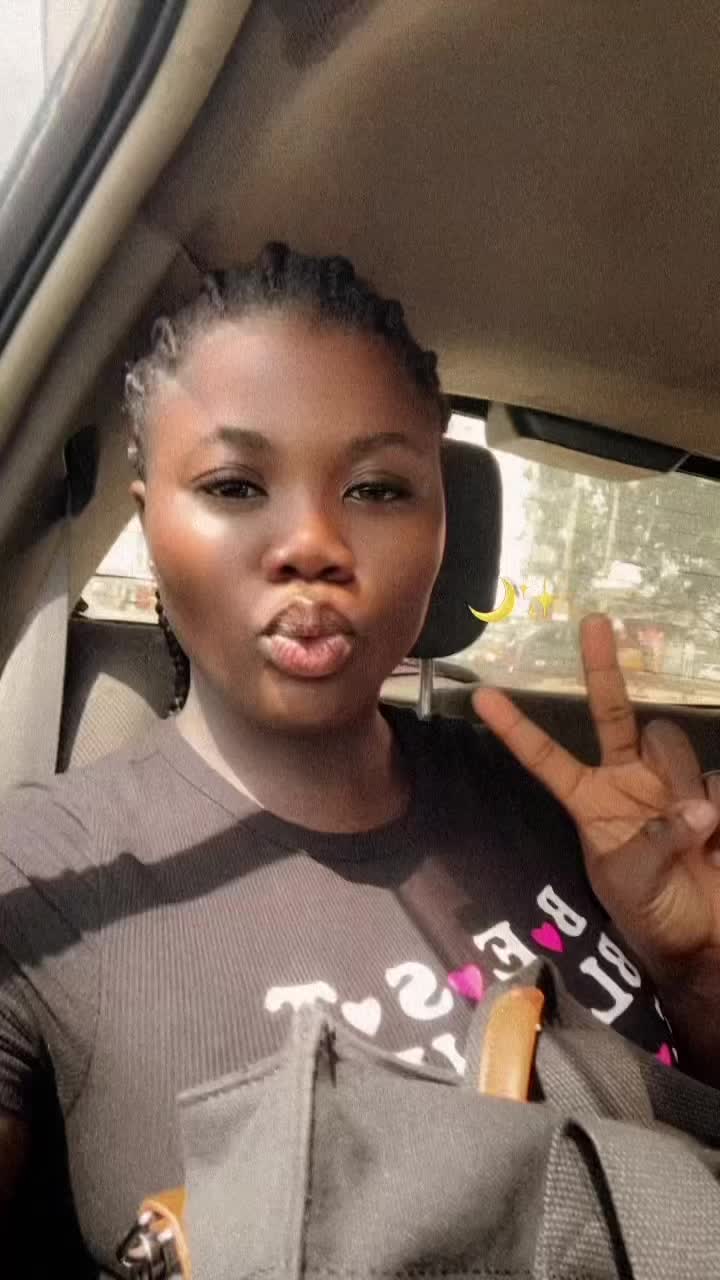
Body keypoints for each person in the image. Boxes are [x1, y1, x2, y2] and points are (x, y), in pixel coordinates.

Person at [0, 243, 719, 1274]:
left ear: (443, 528)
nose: (313, 542)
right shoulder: (47, 878)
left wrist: (692, 970)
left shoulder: (544, 797)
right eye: (235, 484)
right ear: (150, 518)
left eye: (378, 488)